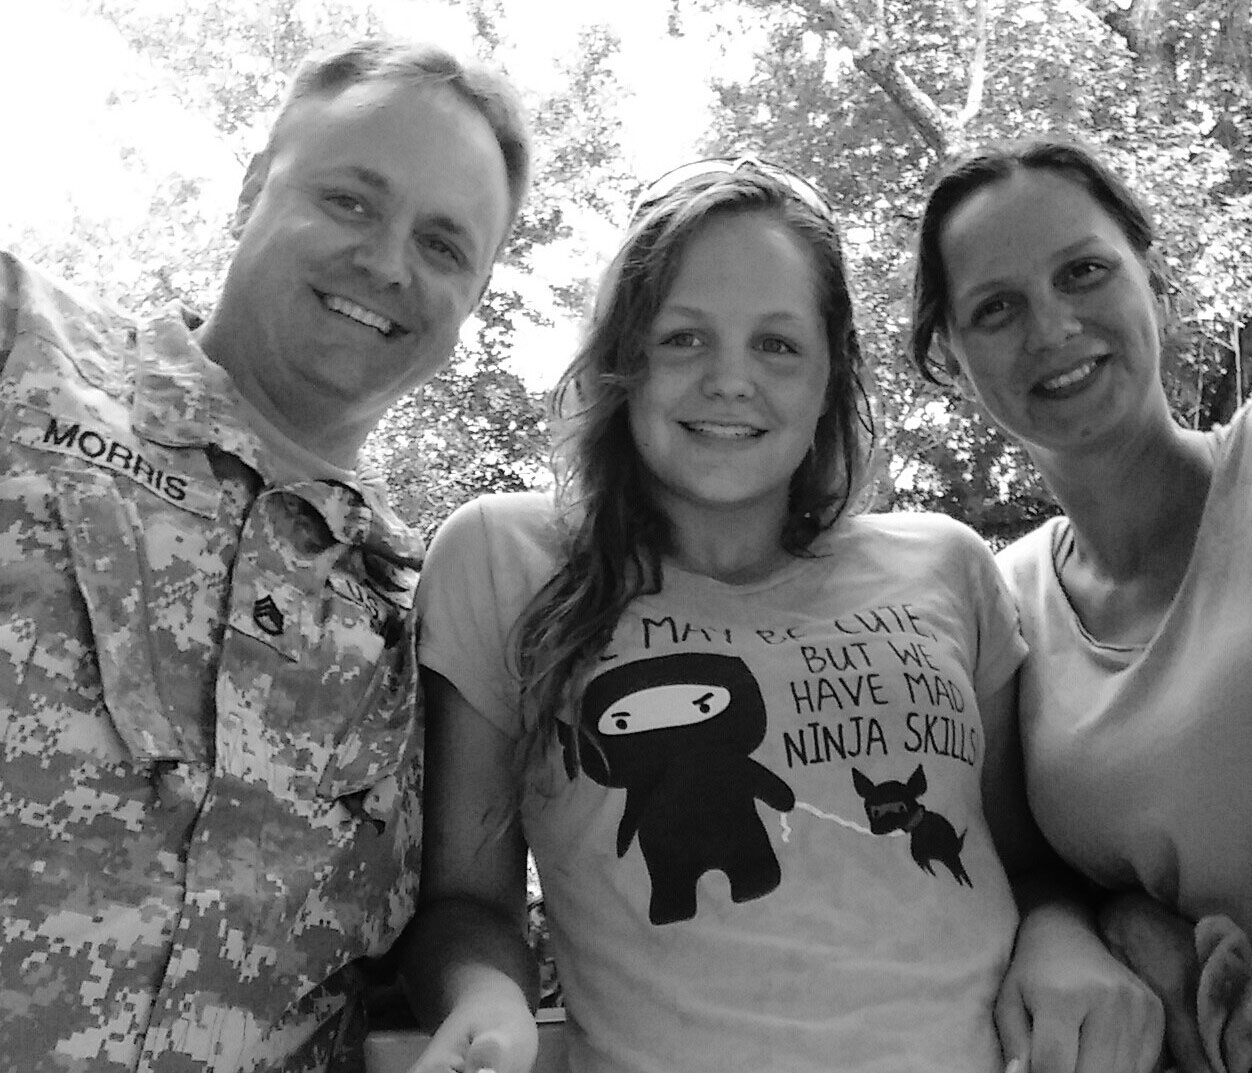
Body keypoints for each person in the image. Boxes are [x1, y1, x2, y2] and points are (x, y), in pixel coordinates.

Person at [401, 156, 1160, 1073]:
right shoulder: (503, 559)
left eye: (776, 343)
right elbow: (465, 901)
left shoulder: (945, 562)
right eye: (683, 338)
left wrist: (1059, 934)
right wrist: (487, 1000)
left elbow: (1026, 861)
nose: (730, 379)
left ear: (830, 374)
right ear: (623, 360)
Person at [0, 37, 529, 1073]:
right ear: (253, 189)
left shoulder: (425, 614)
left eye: (442, 244)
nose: (387, 262)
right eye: (350, 200)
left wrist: (483, 994)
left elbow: (451, 909)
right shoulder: (24, 349)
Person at [910, 137, 1252, 1072]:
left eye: (1082, 272)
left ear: (1152, 283)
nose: (1051, 327)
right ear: (950, 359)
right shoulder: (999, 603)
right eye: (996, 309)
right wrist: (1107, 922)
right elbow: (1031, 870)